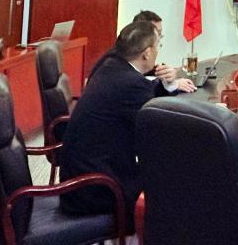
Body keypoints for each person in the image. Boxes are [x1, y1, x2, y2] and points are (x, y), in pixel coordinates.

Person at [60, 20, 184, 215]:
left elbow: (146, 96)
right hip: (96, 189)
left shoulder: (112, 66)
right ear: (147, 53)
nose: (158, 51)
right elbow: (159, 128)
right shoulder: (130, 83)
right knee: (173, 181)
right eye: (158, 45)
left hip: (83, 176)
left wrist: (167, 84)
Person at [87, 10, 195, 91]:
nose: (159, 38)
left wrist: (165, 74)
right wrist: (173, 85)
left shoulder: (121, 58)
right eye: (157, 33)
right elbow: (141, 88)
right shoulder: (114, 64)